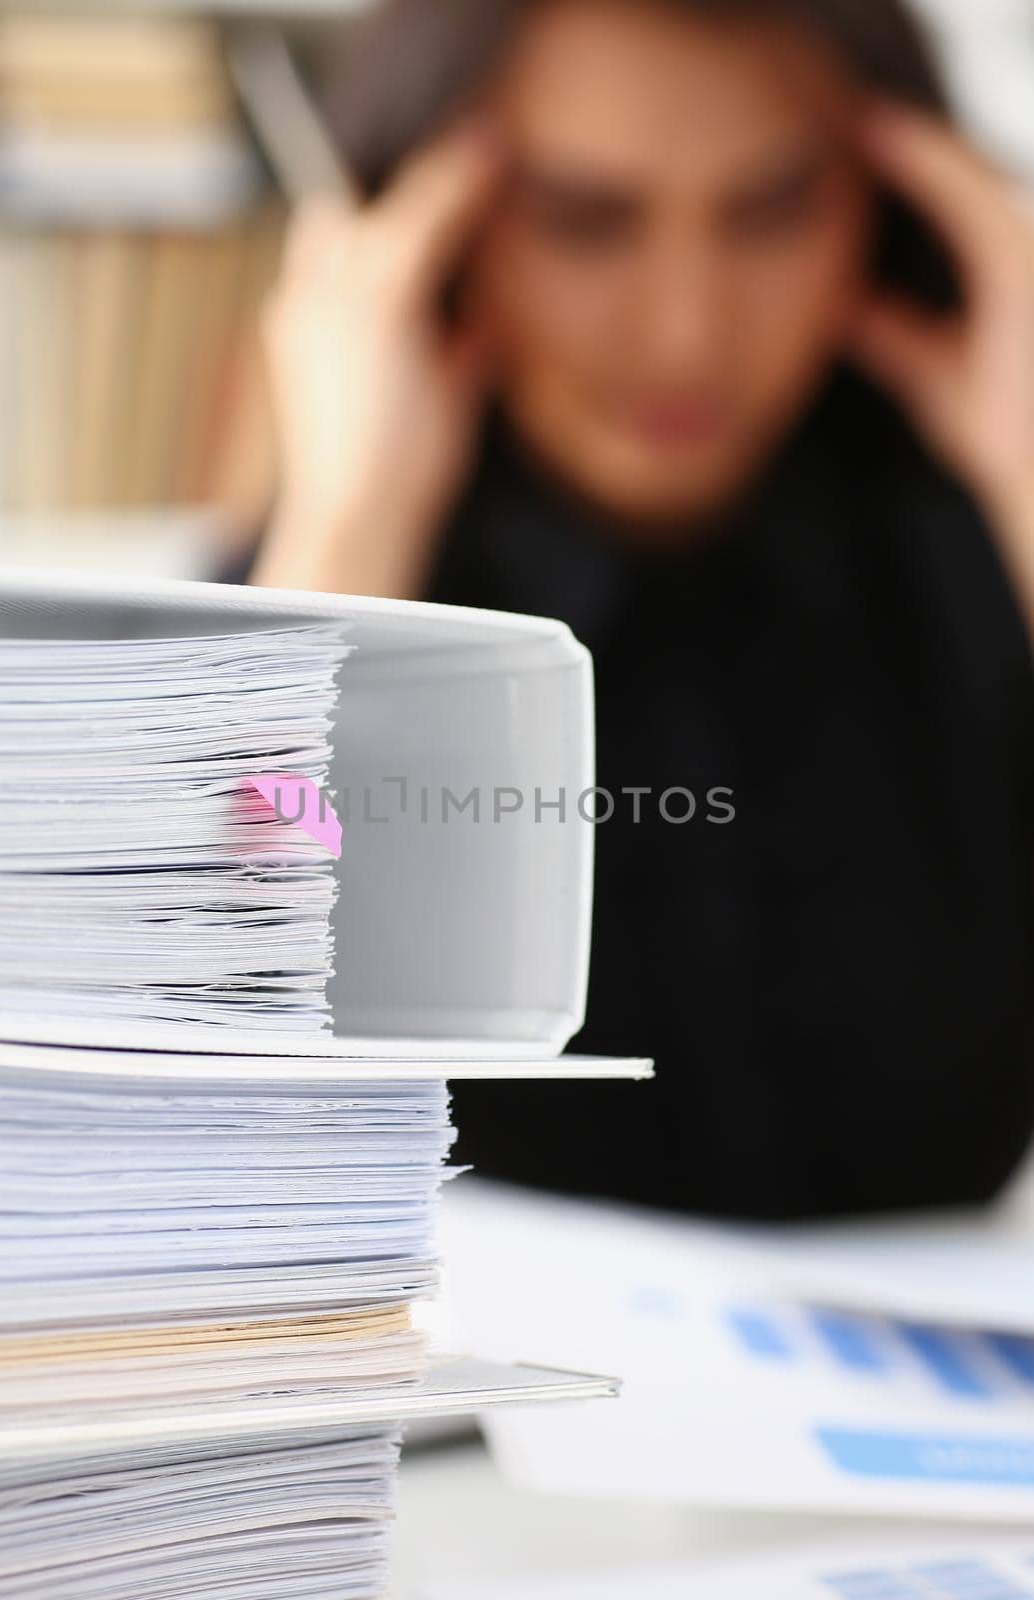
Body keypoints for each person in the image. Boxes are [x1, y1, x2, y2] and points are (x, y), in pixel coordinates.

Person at [245, 0, 1034, 1220]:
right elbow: (169, 1108)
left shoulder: (979, 553)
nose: (684, 335)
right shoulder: (301, 593)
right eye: (582, 222)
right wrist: (351, 521)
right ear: (422, 232)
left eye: (770, 212)